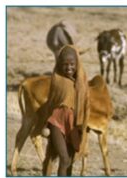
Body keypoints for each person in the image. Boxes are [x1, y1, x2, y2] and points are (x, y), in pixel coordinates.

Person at [40, 45, 89, 176]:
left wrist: (83, 124)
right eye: (65, 64)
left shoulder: (82, 82)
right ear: (59, 64)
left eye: (72, 64)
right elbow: (51, 102)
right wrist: (45, 123)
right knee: (64, 158)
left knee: (70, 161)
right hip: (57, 120)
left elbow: (86, 104)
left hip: (74, 123)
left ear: (77, 64)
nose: (68, 68)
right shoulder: (56, 78)